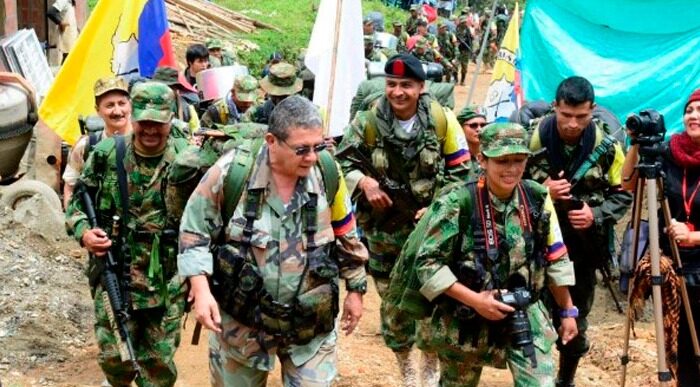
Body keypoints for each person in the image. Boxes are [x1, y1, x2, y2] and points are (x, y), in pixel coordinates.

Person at [178, 95, 368, 386]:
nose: (312, 157)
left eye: (317, 147)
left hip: (310, 327)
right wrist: (201, 290)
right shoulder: (232, 172)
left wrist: (356, 289)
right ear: (272, 141)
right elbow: (194, 232)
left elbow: (346, 235)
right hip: (243, 328)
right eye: (301, 149)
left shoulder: (328, 173)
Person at [402, 122, 578, 387]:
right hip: (466, 316)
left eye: (518, 160)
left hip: (523, 311)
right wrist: (476, 300)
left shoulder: (537, 198)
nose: (511, 169)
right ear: (482, 159)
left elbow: (555, 256)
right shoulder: (458, 202)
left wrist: (567, 311)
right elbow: (428, 264)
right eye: (502, 160)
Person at [336, 53, 471, 387]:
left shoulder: (442, 120)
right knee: (394, 302)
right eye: (392, 84)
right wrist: (365, 183)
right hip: (384, 231)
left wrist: (438, 207)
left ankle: (429, 362)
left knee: (434, 296)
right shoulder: (367, 121)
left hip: (430, 231)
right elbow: (340, 163)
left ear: (421, 88)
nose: (397, 92)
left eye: (406, 86)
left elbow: (462, 172)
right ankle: (405, 365)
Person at [65, 82, 189, 386]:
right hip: (116, 273)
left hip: (167, 281)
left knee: (157, 364)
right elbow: (77, 204)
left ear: (170, 118)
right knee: (113, 357)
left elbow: (206, 218)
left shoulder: (188, 160)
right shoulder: (108, 153)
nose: (149, 129)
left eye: (157, 123)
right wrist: (85, 233)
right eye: (143, 121)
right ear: (134, 116)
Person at [526, 76, 631, 387]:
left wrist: (595, 214)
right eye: (566, 115)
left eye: (581, 117)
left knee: (575, 317)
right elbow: (505, 185)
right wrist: (541, 190)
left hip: (583, 250)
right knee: (533, 315)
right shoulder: (532, 139)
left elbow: (623, 191)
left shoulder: (607, 146)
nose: (572, 124)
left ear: (592, 110)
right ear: (554, 107)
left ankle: (565, 379)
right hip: (535, 246)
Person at [621, 88, 700, 386]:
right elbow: (627, 184)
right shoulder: (668, 153)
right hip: (674, 267)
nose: (693, 116)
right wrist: (635, 146)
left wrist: (694, 237)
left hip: (696, 257)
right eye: (689, 110)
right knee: (682, 348)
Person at [63, 77, 133, 208]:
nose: (117, 111)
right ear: (98, 110)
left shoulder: (145, 141)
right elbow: (70, 189)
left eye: (122, 103)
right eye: (110, 105)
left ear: (130, 105)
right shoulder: (86, 146)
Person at [456, 104, 487, 174]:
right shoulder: (455, 157)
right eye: (473, 125)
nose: (479, 129)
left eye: (483, 125)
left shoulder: (492, 156)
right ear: (461, 128)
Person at [454, 15, 473, 85]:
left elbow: (470, 41)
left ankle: (462, 80)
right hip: (458, 50)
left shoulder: (467, 29)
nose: (464, 24)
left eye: (465, 22)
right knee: (455, 65)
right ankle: (455, 80)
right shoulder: (456, 29)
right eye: (463, 22)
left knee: (464, 67)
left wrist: (471, 49)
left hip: (465, 50)